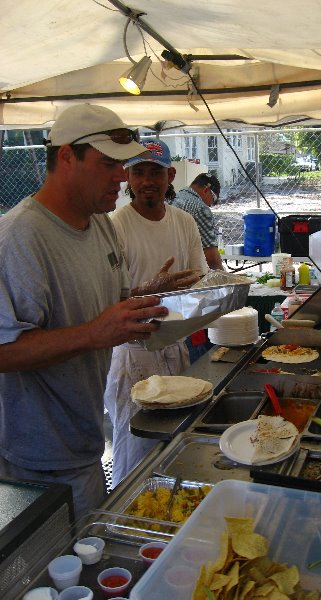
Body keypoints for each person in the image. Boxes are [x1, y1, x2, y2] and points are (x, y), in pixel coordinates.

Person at [0, 103, 171, 520]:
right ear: (65, 156)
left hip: (86, 439)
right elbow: (5, 351)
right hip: (37, 458)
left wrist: (145, 296)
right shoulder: (20, 236)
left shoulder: (101, 224)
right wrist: (96, 333)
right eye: (108, 163)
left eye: (122, 164)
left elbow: (102, 307)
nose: (121, 175)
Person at [104, 139, 208, 488]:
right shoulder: (115, 226)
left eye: (155, 172)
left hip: (174, 348)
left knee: (173, 445)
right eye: (139, 172)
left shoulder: (184, 222)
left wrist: (196, 291)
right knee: (134, 453)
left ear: (170, 176)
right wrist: (148, 291)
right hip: (132, 356)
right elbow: (105, 301)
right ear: (127, 178)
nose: (147, 180)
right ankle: (124, 525)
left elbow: (200, 282)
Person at [171, 173, 224, 270]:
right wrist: (228, 281)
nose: (209, 205)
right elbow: (212, 259)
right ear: (206, 189)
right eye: (212, 201)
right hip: (183, 274)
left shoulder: (173, 198)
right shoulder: (200, 208)